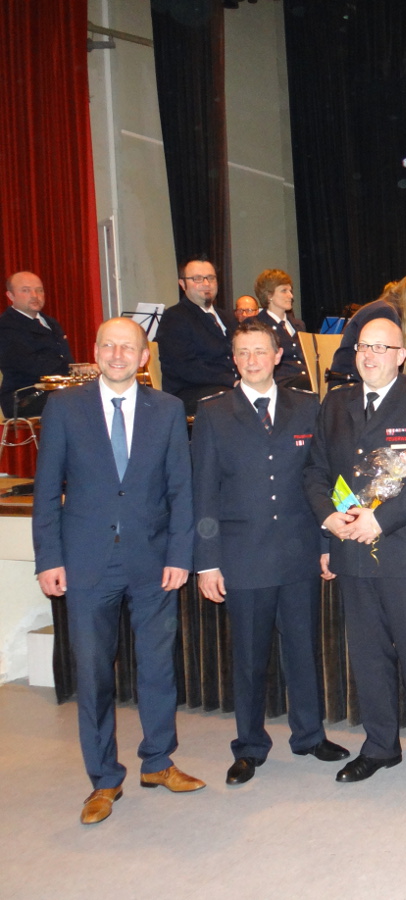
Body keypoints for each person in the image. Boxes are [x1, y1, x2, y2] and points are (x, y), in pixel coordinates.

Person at [32, 316, 203, 825]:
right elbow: (46, 491)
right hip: (86, 562)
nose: (118, 354)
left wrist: (180, 555)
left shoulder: (168, 409)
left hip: (152, 561)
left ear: (144, 356)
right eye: (108, 345)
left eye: (128, 347)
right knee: (93, 675)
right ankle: (104, 779)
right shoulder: (64, 407)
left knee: (157, 668)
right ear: (95, 351)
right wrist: (49, 559)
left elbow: (181, 489)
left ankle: (158, 761)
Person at [191, 320, 349, 786]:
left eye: (260, 350)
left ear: (278, 355)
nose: (252, 360)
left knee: (303, 649)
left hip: (300, 550)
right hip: (243, 557)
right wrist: (207, 560)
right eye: (243, 352)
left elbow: (322, 478)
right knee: (249, 658)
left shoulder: (307, 407)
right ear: (234, 359)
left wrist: (326, 544)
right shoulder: (214, 414)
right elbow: (204, 494)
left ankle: (309, 735)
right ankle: (250, 746)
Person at [303, 317, 406, 789]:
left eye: (380, 347)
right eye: (362, 347)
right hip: (350, 546)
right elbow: (315, 471)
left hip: (403, 548)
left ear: (401, 354)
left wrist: (381, 519)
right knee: (367, 655)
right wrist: (329, 519)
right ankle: (380, 746)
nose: (368, 355)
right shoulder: (335, 402)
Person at [156, 255, 237, 415]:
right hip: (190, 392)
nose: (206, 284)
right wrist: (232, 381)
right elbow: (186, 367)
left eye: (211, 278)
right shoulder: (174, 317)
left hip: (229, 387)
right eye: (198, 279)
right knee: (233, 400)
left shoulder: (228, 317)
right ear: (182, 284)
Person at [0, 270, 74, 417]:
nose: (35, 295)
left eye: (39, 290)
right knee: (79, 400)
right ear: (10, 296)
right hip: (24, 397)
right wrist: (70, 372)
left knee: (96, 394)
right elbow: (33, 366)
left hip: (56, 391)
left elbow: (66, 357)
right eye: (26, 290)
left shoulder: (51, 323)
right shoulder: (5, 326)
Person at [253, 269, 312, 391]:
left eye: (290, 291)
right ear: (269, 295)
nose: (290, 296)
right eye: (284, 291)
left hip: (306, 380)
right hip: (280, 383)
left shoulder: (298, 325)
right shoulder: (257, 324)